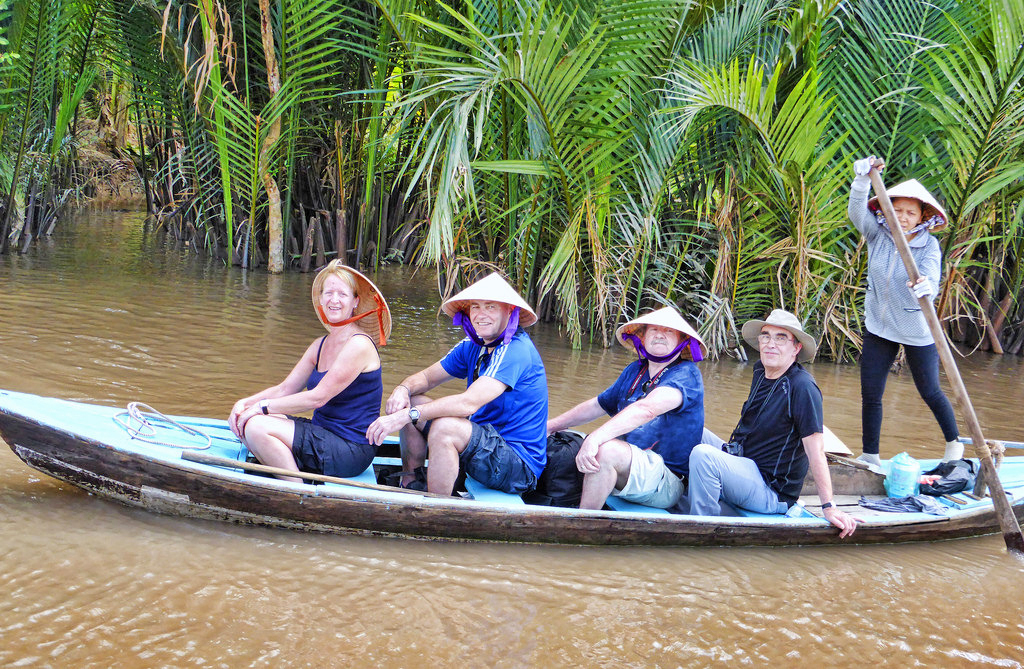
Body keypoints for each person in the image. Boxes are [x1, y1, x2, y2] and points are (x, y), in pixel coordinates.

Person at [366, 272, 548, 496]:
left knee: (443, 429)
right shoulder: (474, 345)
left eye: (490, 307)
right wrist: (402, 389)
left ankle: (437, 508)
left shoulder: (516, 350)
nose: (481, 315)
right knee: (410, 401)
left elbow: (467, 404)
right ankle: (411, 483)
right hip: (484, 442)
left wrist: (408, 415)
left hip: (518, 466)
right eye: (475, 307)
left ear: (509, 311)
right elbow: (425, 378)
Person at [687, 309, 858, 538]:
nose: (770, 344)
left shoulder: (803, 388)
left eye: (781, 338)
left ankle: (700, 530)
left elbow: (815, 449)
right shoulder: (761, 370)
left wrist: (828, 506)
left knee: (703, 455)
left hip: (771, 491)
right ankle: (679, 491)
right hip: (745, 463)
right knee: (691, 429)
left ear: (796, 348)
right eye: (766, 336)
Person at [228, 261, 390, 482]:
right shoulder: (320, 345)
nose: (334, 300)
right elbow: (286, 388)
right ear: (321, 300)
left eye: (342, 294)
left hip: (350, 447)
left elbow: (318, 397)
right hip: (321, 431)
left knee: (256, 425)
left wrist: (261, 408)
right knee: (245, 420)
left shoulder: (359, 345)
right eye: (329, 293)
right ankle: (291, 473)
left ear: (355, 302)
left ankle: (296, 492)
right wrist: (244, 404)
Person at [849, 156, 961, 469]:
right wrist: (861, 181)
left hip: (915, 328)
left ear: (922, 216)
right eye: (896, 209)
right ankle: (870, 455)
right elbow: (856, 212)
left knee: (930, 391)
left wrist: (925, 287)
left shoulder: (929, 247)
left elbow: (930, 279)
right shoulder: (877, 234)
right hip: (879, 326)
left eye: (910, 212)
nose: (902, 217)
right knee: (870, 393)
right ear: (886, 209)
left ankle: (954, 445)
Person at [546, 307, 706, 510]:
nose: (659, 335)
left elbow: (647, 409)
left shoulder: (687, 374)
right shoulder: (635, 371)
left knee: (605, 450)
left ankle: (584, 523)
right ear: (643, 336)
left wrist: (595, 438)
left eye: (668, 331)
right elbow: (598, 405)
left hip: (666, 481)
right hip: (630, 468)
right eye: (654, 329)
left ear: (681, 341)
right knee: (570, 439)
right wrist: (551, 426)